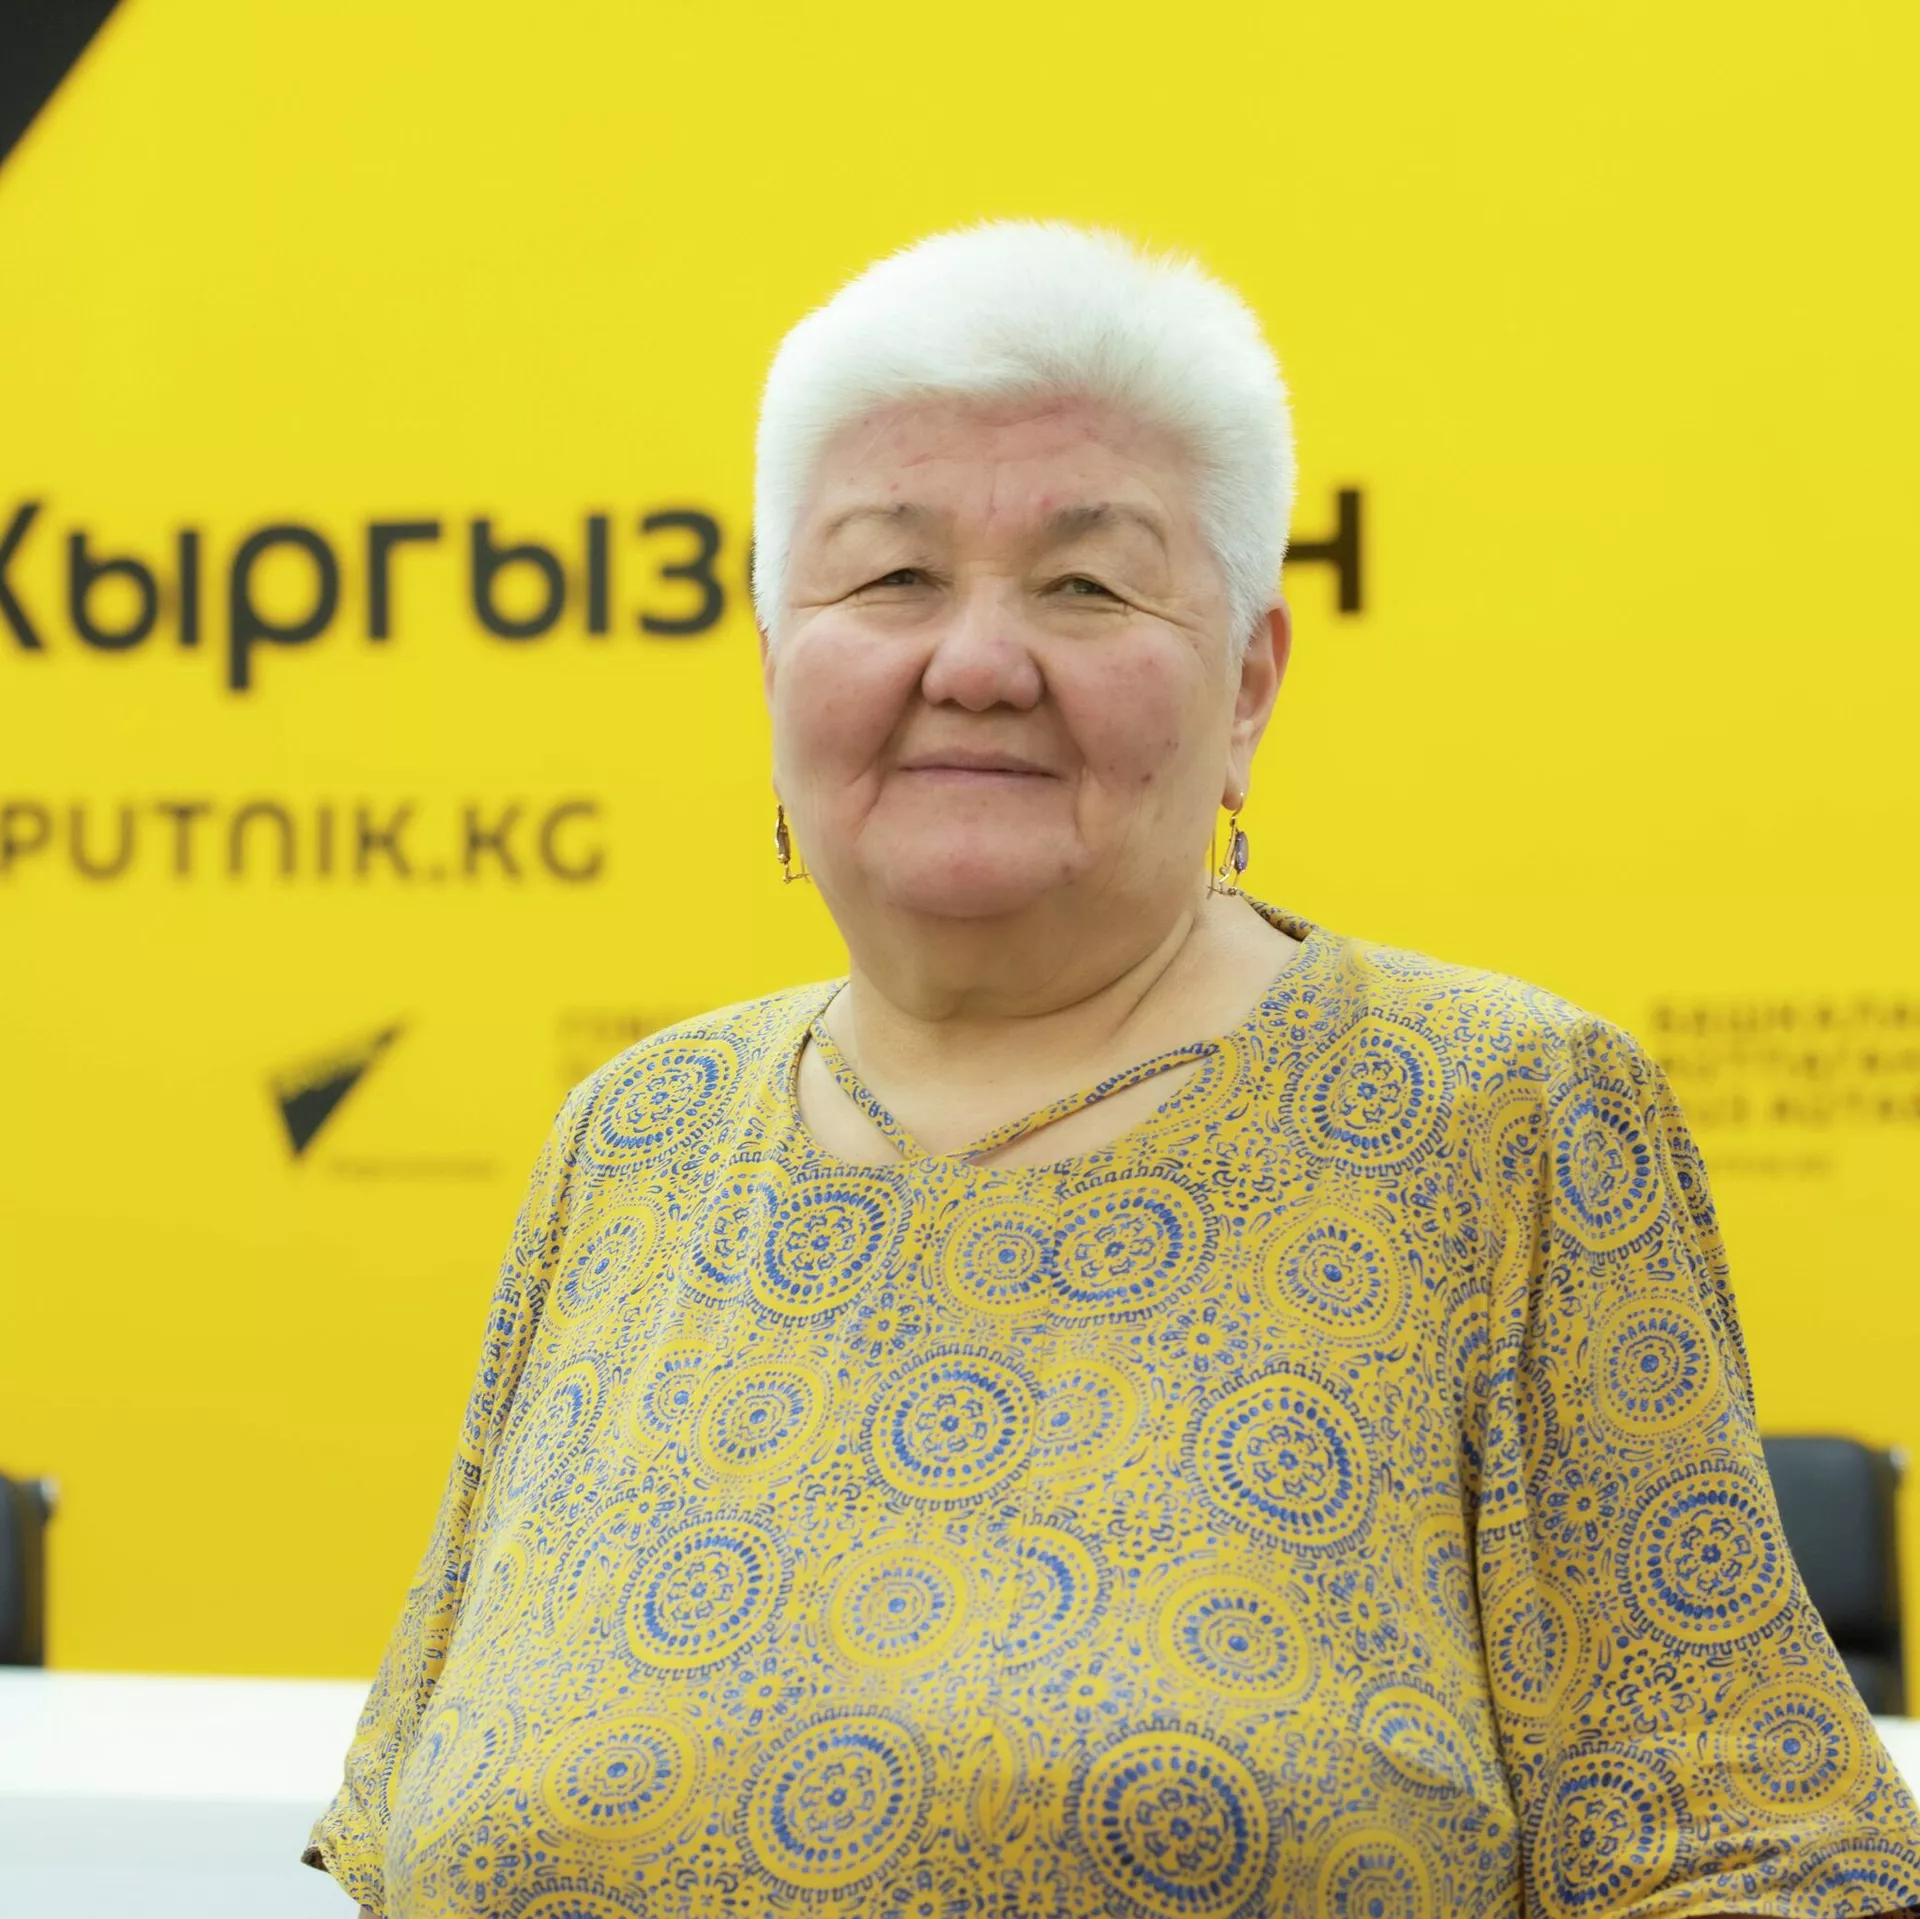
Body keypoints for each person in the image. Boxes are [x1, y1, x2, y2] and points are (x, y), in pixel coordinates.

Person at [307, 222, 1920, 1919]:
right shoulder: (634, 1140)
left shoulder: (1499, 1117)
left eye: (1085, 585)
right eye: (889, 577)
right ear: (774, 661)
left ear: (1249, 683)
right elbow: (419, 1838)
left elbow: (1763, 1865)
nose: (975, 662)